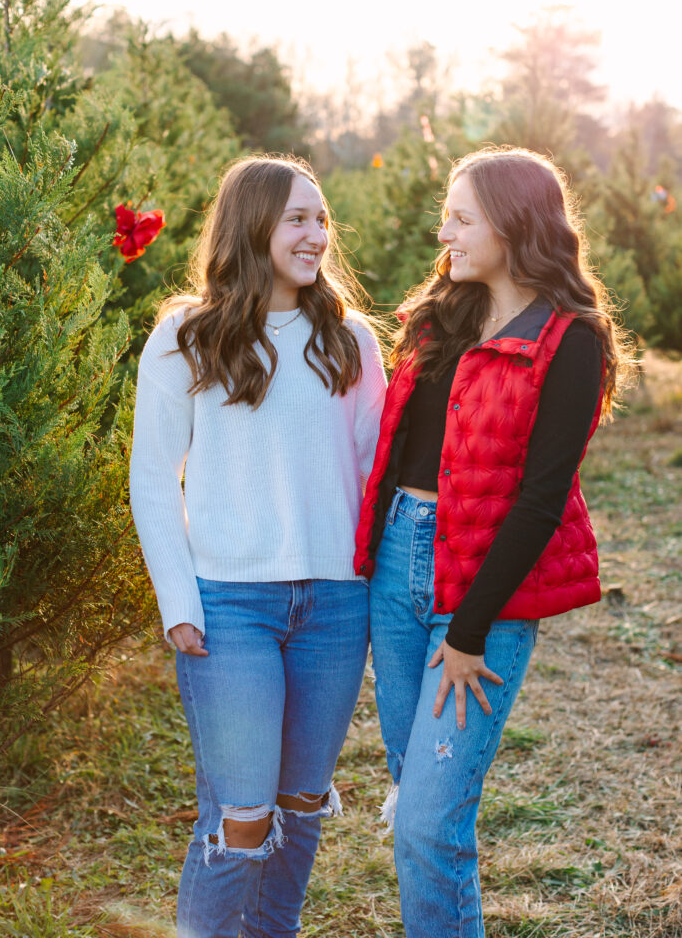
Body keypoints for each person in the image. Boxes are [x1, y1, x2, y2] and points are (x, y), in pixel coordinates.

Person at [354, 147, 635, 937]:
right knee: (421, 805)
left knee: (423, 824)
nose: (443, 229)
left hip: (481, 592)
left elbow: (543, 499)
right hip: (397, 568)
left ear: (514, 227)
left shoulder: (567, 339)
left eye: (462, 216)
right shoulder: (439, 316)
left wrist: (470, 629)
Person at [129, 155, 386, 938]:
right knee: (242, 811)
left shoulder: (348, 339)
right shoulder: (186, 336)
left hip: (335, 607)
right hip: (229, 606)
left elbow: (375, 471)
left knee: (301, 800)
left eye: (321, 219)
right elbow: (150, 477)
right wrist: (179, 600)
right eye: (297, 219)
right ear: (253, 224)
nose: (316, 235)